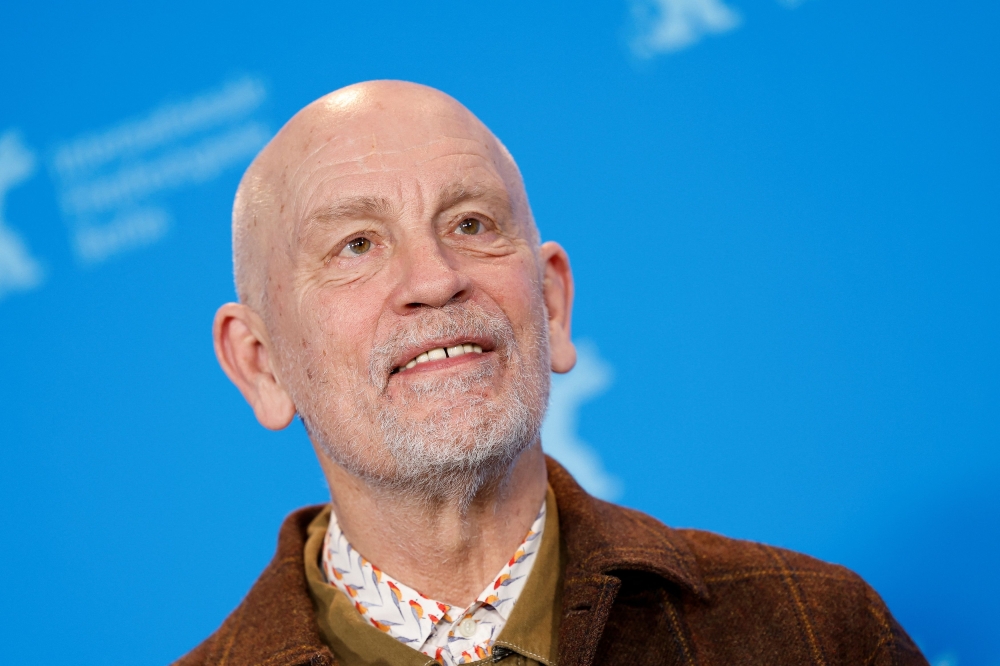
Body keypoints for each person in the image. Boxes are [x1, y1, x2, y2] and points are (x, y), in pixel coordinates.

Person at [176, 80, 927, 666]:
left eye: (470, 224)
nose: (435, 279)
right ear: (261, 364)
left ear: (553, 301)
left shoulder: (817, 632)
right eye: (356, 246)